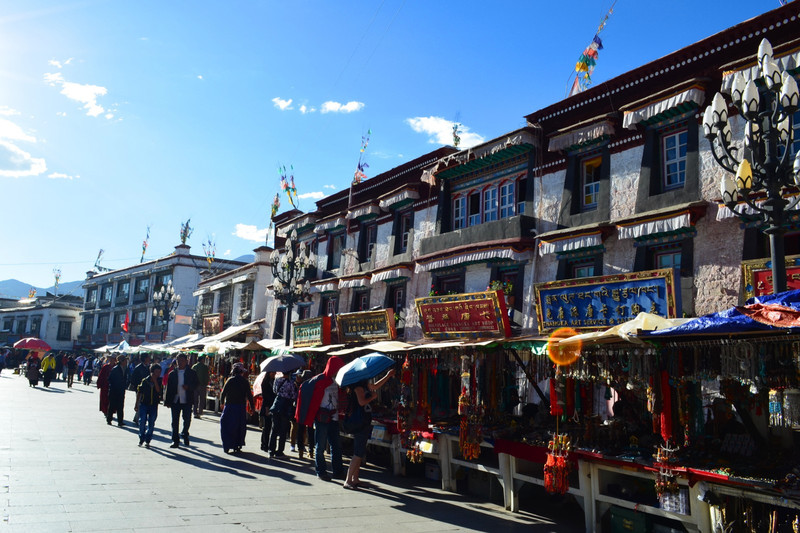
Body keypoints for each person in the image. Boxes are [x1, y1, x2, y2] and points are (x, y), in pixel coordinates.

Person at [295, 356, 346, 481]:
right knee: (320, 446)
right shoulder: (318, 381)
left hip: (333, 418)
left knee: (336, 446)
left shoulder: (337, 381)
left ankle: (338, 471)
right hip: (321, 419)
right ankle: (321, 471)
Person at [343, 368, 395, 490]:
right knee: (358, 452)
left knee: (360, 451)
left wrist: (388, 375)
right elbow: (362, 402)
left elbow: (376, 386)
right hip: (360, 422)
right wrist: (373, 397)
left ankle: (355, 478)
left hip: (364, 421)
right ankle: (348, 480)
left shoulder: (364, 386)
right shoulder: (358, 388)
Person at [163, 353, 199, 449]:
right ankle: (175, 440)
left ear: (186, 361)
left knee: (187, 419)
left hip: (187, 400)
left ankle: (185, 434)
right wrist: (167, 401)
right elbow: (168, 388)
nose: (180, 363)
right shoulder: (173, 374)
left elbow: (196, 385)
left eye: (182, 360)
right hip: (176, 400)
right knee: (175, 421)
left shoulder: (192, 373)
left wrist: (189, 387)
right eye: (178, 361)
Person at [219, 363, 255, 453]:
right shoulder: (245, 381)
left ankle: (227, 445)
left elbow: (223, 393)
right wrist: (252, 407)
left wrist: (221, 403)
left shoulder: (230, 380)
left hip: (230, 407)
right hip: (240, 407)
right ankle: (237, 444)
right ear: (241, 372)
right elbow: (250, 396)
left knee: (226, 425)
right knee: (239, 427)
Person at [268, 369, 298, 458]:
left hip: (276, 405)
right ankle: (280, 451)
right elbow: (293, 395)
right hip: (286, 407)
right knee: (283, 430)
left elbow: (274, 391)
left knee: (274, 429)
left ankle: (271, 450)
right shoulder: (291, 383)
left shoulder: (277, 380)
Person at [135, 363, 163, 448]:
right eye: (156, 372)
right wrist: (136, 404)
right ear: (152, 372)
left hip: (153, 405)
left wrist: (155, 381)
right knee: (142, 421)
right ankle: (141, 437)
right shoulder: (145, 381)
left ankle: (148, 439)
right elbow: (139, 392)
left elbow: (159, 391)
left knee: (151, 422)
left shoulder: (159, 380)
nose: (158, 374)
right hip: (144, 404)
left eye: (159, 372)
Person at [290, 370, 314, 458]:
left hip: (301, 410)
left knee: (300, 430)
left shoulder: (301, 386)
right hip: (310, 410)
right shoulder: (314, 386)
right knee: (310, 431)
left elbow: (296, 399)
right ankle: (311, 451)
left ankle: (300, 451)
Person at [129, 354, 151, 424]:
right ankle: (138, 418)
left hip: (147, 388)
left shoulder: (148, 367)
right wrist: (137, 387)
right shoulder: (138, 368)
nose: (149, 359)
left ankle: (137, 417)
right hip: (140, 388)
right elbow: (133, 379)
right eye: (148, 357)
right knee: (140, 402)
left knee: (142, 403)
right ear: (145, 359)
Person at [107, 355, 128, 426]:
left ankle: (120, 421)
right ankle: (109, 419)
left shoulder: (125, 368)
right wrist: (116, 386)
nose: (126, 362)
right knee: (112, 405)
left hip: (121, 390)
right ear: (121, 361)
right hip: (114, 390)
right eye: (125, 360)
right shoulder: (115, 369)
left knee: (120, 406)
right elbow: (110, 379)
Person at [259, 372, 276, 453]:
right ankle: (264, 444)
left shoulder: (274, 381)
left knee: (268, 426)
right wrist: (266, 408)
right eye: (273, 372)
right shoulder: (265, 383)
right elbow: (265, 396)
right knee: (267, 426)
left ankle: (265, 443)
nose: (274, 373)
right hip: (267, 406)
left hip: (272, 405)